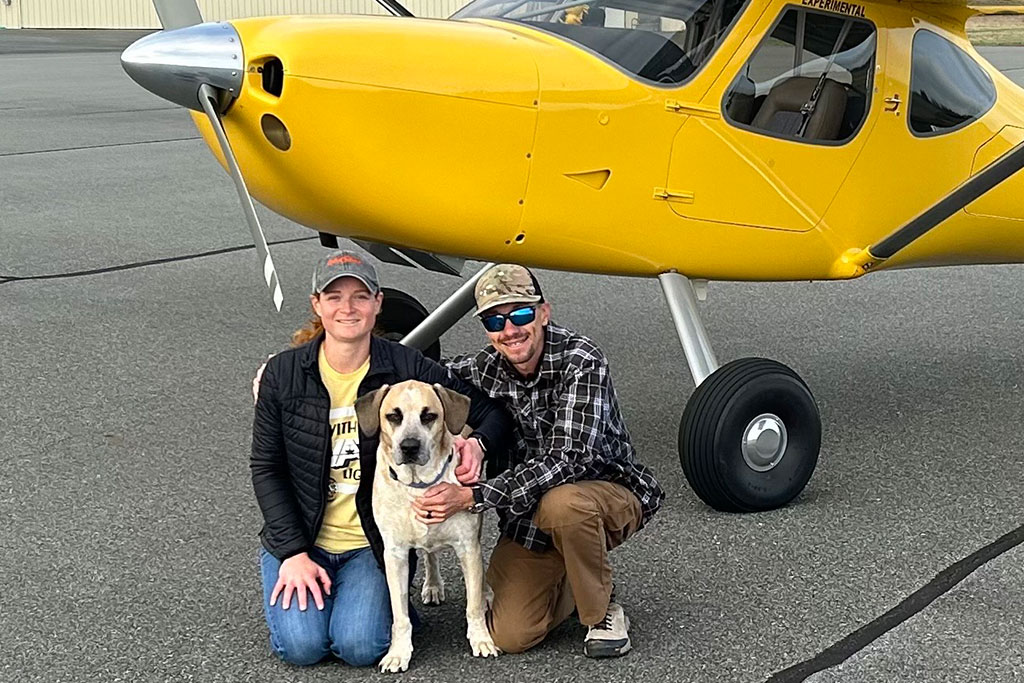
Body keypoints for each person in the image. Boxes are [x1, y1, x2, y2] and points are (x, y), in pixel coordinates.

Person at [250, 250, 511, 667]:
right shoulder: (283, 374)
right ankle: (345, 594)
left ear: (377, 304)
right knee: (301, 648)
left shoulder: (405, 366)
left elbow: (486, 413)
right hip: (304, 537)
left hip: (369, 542)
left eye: (360, 296)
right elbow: (266, 467)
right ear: (317, 304)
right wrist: (292, 553)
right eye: (334, 297)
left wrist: (476, 444)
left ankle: (378, 605)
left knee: (358, 646)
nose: (347, 308)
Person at [413, 264, 665, 658]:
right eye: (495, 320)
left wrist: (473, 495)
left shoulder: (582, 360)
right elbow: (421, 378)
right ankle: (579, 577)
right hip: (529, 518)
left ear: (544, 313)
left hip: (606, 496)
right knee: (509, 636)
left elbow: (567, 459)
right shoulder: (485, 368)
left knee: (563, 503)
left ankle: (601, 612)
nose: (510, 329)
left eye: (522, 314)